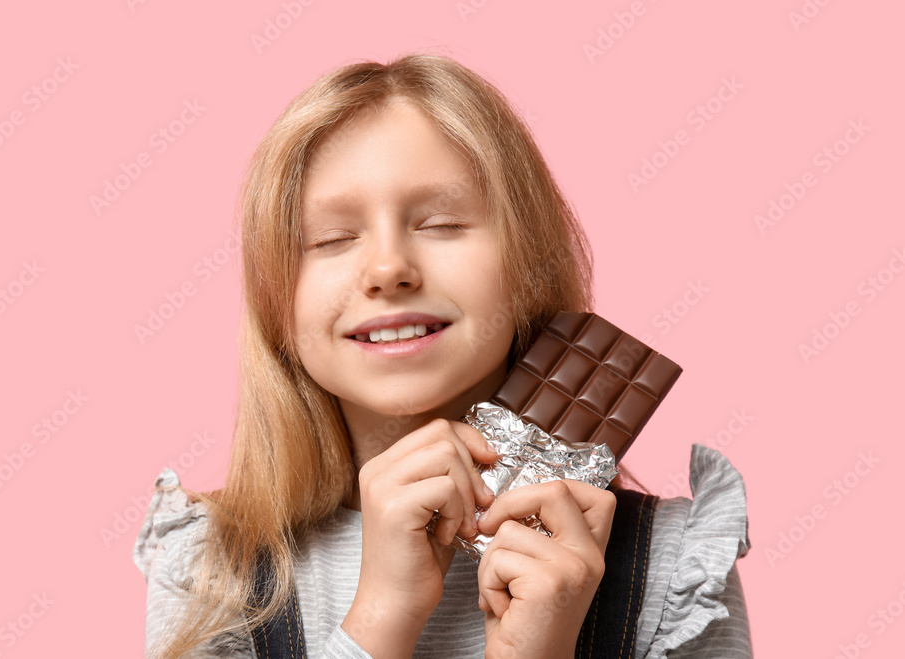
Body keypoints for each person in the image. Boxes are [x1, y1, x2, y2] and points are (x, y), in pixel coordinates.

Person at [132, 53, 751, 658]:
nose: (387, 268)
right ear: (276, 304)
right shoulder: (213, 573)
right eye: (330, 239)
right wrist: (379, 617)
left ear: (526, 262)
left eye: (441, 223)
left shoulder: (673, 570)